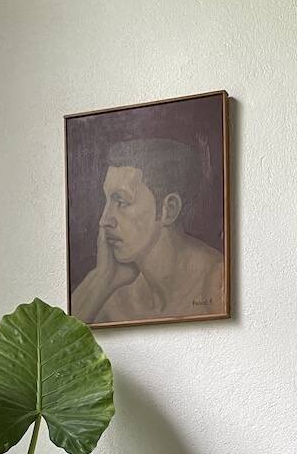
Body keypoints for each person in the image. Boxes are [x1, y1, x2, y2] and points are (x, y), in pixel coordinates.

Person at [71, 137, 225, 324]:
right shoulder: (115, 295)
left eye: (121, 202)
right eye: (107, 201)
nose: (104, 220)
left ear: (170, 209)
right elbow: (60, 345)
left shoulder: (217, 281)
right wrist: (100, 277)